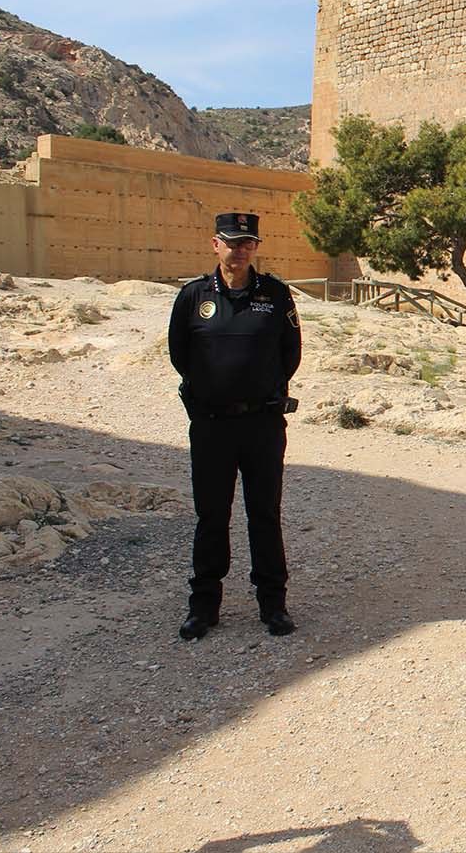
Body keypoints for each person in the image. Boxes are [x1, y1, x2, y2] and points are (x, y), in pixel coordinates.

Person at [169, 212, 302, 641]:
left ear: (255, 247)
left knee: (264, 514)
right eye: (232, 242)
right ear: (215, 244)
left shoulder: (275, 295)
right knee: (211, 515)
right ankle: (204, 607)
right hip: (212, 426)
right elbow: (180, 354)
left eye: (248, 243)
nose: (240, 250)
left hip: (262, 424)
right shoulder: (193, 297)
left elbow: (291, 354)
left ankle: (273, 605)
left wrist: (260, 388)